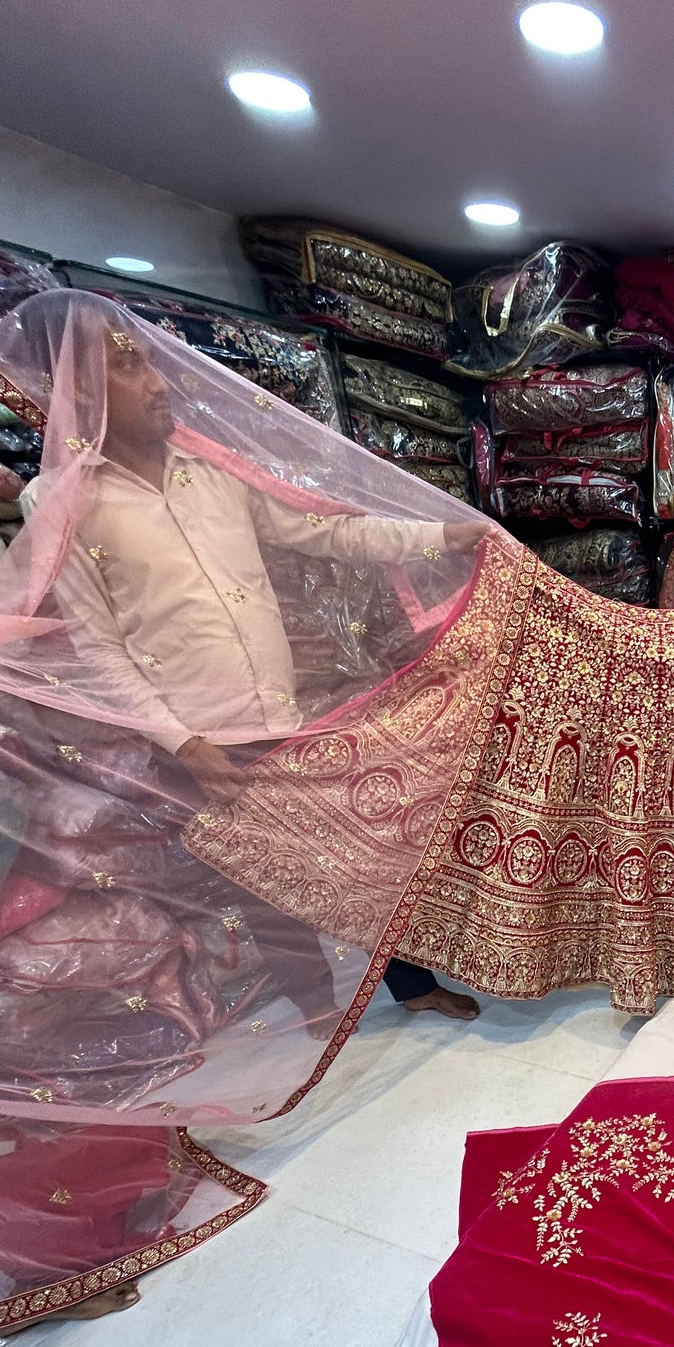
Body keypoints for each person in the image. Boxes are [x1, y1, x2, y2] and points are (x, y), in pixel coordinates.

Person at [46, 324, 487, 1024]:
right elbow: (99, 649)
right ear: (82, 389)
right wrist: (182, 742)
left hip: (284, 712)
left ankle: (411, 984)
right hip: (198, 737)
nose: (158, 385)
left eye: (152, 365)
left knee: (360, 850)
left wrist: (441, 536)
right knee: (262, 882)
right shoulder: (63, 500)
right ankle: (315, 1008)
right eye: (130, 369)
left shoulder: (212, 467)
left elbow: (326, 529)